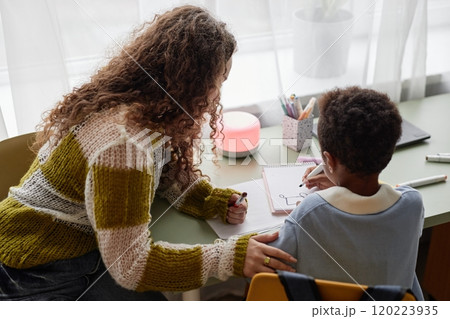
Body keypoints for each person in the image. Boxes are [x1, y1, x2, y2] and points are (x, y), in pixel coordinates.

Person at [0, 5, 296, 301]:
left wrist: (208, 199)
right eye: (220, 80)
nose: (217, 92)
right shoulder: (122, 144)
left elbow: (161, 172)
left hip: (72, 246)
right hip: (31, 265)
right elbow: (131, 265)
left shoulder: (142, 108)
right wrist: (232, 257)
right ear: (193, 82)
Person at [269, 86, 425, 300]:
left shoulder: (309, 213)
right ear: (389, 154)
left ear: (329, 161)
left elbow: (267, 267)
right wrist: (342, 187)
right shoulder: (413, 204)